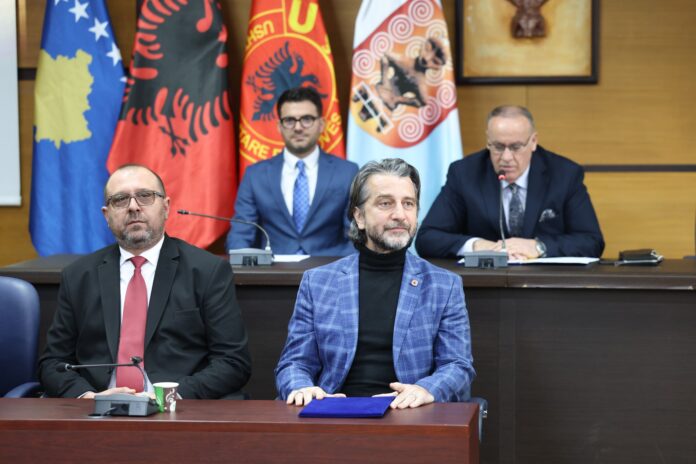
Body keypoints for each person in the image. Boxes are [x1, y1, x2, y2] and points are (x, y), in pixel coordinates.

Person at [275, 158, 475, 409]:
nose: (400, 215)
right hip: (332, 411)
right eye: (385, 203)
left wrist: (426, 390)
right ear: (359, 217)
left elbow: (457, 365)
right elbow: (294, 363)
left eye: (408, 204)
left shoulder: (444, 285)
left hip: (409, 413)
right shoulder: (318, 282)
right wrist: (302, 388)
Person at [39, 164, 251, 399]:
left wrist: (168, 396)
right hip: (98, 408)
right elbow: (53, 363)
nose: (133, 207)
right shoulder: (79, 276)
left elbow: (233, 362)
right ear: (106, 215)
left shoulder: (206, 271)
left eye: (145, 196)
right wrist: (88, 397)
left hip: (176, 407)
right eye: (120, 199)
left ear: (166, 207)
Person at [416, 105, 604, 260]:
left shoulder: (565, 174)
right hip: (485, 284)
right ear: (488, 141)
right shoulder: (465, 174)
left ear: (533, 141)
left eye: (515, 147)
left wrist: (539, 246)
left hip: (547, 284)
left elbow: (591, 241)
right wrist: (476, 245)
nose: (506, 157)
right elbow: (427, 238)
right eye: (498, 147)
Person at [226, 87, 359, 256]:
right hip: (272, 268)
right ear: (279, 126)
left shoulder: (347, 172)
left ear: (321, 124)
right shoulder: (255, 175)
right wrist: (243, 264)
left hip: (329, 268)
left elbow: (355, 236)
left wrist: (339, 267)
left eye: (307, 119)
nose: (298, 127)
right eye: (289, 120)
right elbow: (240, 234)